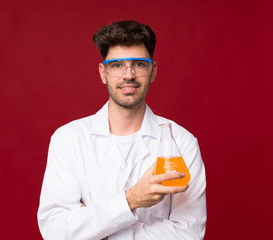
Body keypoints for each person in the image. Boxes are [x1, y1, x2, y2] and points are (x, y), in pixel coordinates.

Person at [37, 20, 207, 240]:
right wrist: (131, 199)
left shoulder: (182, 143)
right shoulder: (69, 139)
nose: (129, 75)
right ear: (103, 72)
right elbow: (55, 231)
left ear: (152, 70)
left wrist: (95, 228)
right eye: (117, 65)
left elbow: (189, 234)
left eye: (139, 64)